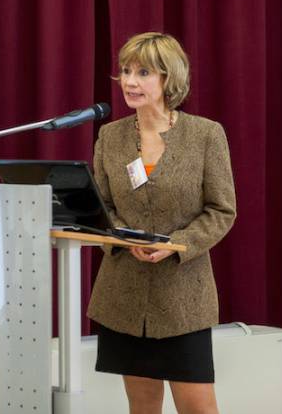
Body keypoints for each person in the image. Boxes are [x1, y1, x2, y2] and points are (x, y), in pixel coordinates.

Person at [87, 32, 236, 414]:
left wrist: (177, 243)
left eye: (143, 73)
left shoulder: (205, 134)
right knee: (142, 408)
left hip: (183, 297)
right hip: (124, 295)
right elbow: (101, 207)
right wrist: (124, 239)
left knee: (199, 409)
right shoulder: (110, 136)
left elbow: (222, 210)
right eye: (125, 71)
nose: (130, 81)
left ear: (169, 78)